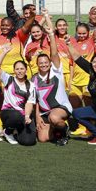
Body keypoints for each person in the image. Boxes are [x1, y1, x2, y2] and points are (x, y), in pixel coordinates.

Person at [30, 12, 72, 145]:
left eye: (45, 62)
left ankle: (64, 129)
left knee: (54, 117)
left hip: (60, 108)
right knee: (42, 139)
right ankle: (56, 130)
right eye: (40, 63)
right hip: (44, 112)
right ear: (37, 65)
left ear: (49, 63)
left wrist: (51, 35)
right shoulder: (34, 78)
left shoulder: (55, 71)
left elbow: (54, 53)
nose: (43, 64)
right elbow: (36, 100)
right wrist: (37, 116)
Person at [0, 47, 36, 146]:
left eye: (22, 69)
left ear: (26, 70)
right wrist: (4, 53)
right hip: (9, 113)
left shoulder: (31, 85)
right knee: (16, 116)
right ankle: (7, 131)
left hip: (23, 115)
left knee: (29, 141)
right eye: (17, 69)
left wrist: (27, 116)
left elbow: (30, 103)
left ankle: (16, 132)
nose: (20, 71)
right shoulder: (8, 79)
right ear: (14, 70)